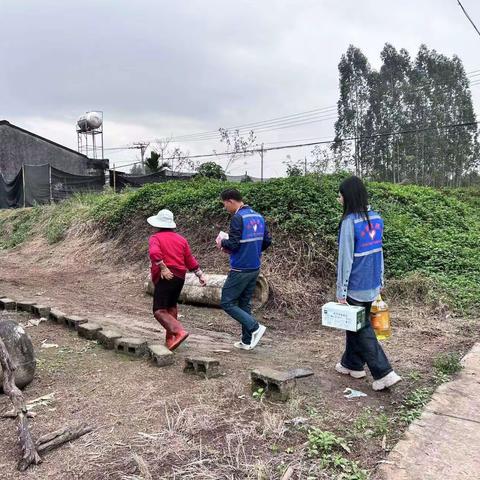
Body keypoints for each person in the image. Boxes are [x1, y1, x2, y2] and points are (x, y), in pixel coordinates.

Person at [335, 176, 401, 391]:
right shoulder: (376, 218)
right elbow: (379, 252)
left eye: (340, 194)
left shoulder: (349, 222)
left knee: (361, 327)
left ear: (348, 196)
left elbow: (346, 259)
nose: (338, 198)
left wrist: (341, 290)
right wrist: (381, 279)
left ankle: (384, 373)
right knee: (353, 323)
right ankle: (352, 364)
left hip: (356, 284)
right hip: (372, 281)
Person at [218, 189, 271, 350]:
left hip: (240, 268)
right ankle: (247, 341)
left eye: (224, 204)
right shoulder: (258, 216)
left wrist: (222, 242)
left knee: (227, 302)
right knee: (244, 303)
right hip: (254, 266)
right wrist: (252, 249)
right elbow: (267, 241)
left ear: (230, 201)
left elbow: (233, 244)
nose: (225, 208)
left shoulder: (238, 218)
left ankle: (255, 327)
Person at [148, 209, 206, 351]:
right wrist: (200, 275)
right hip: (180, 277)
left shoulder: (155, 238)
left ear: (158, 224)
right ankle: (170, 339)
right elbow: (189, 260)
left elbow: (154, 253)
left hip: (166, 276)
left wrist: (163, 267)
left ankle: (179, 331)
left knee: (159, 310)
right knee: (171, 307)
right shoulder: (181, 239)